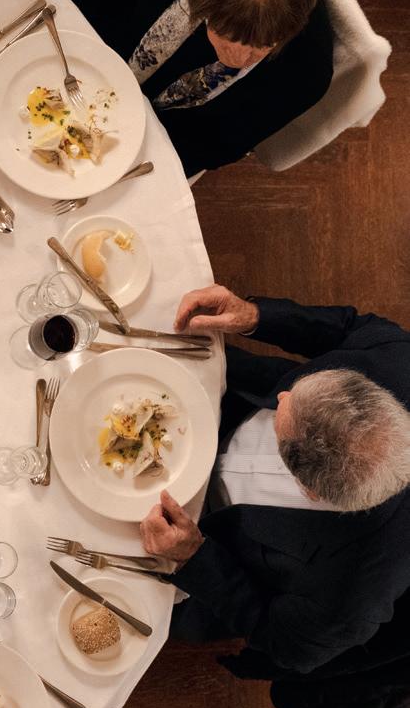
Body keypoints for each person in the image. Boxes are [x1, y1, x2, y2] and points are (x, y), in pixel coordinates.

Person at [139, 284, 410, 679]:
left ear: (309, 490)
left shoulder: (353, 596)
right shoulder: (401, 365)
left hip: (210, 547)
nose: (281, 397)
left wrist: (194, 556)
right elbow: (351, 329)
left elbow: (284, 642)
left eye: (281, 426)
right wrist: (254, 317)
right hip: (226, 402)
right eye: (296, 392)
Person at [54, 0, 334, 176]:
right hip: (82, 64)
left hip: (152, 141)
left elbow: (215, 146)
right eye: (226, 35)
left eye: (260, 46)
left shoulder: (308, 70)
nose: (239, 59)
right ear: (198, 3)